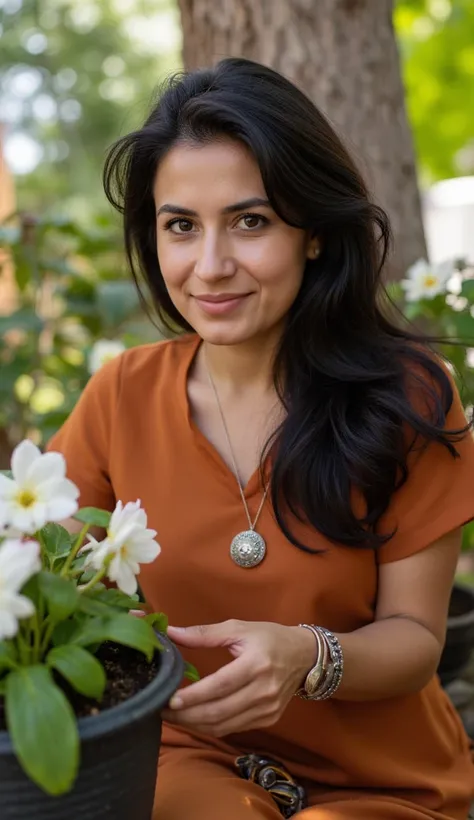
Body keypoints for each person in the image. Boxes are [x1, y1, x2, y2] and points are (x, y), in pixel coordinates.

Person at [46, 58, 474, 819]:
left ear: (312, 233)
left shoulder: (407, 395)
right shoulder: (121, 396)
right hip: (189, 761)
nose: (209, 267)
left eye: (251, 221)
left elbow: (416, 639)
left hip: (384, 780)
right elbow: (42, 572)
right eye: (181, 225)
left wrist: (310, 656)